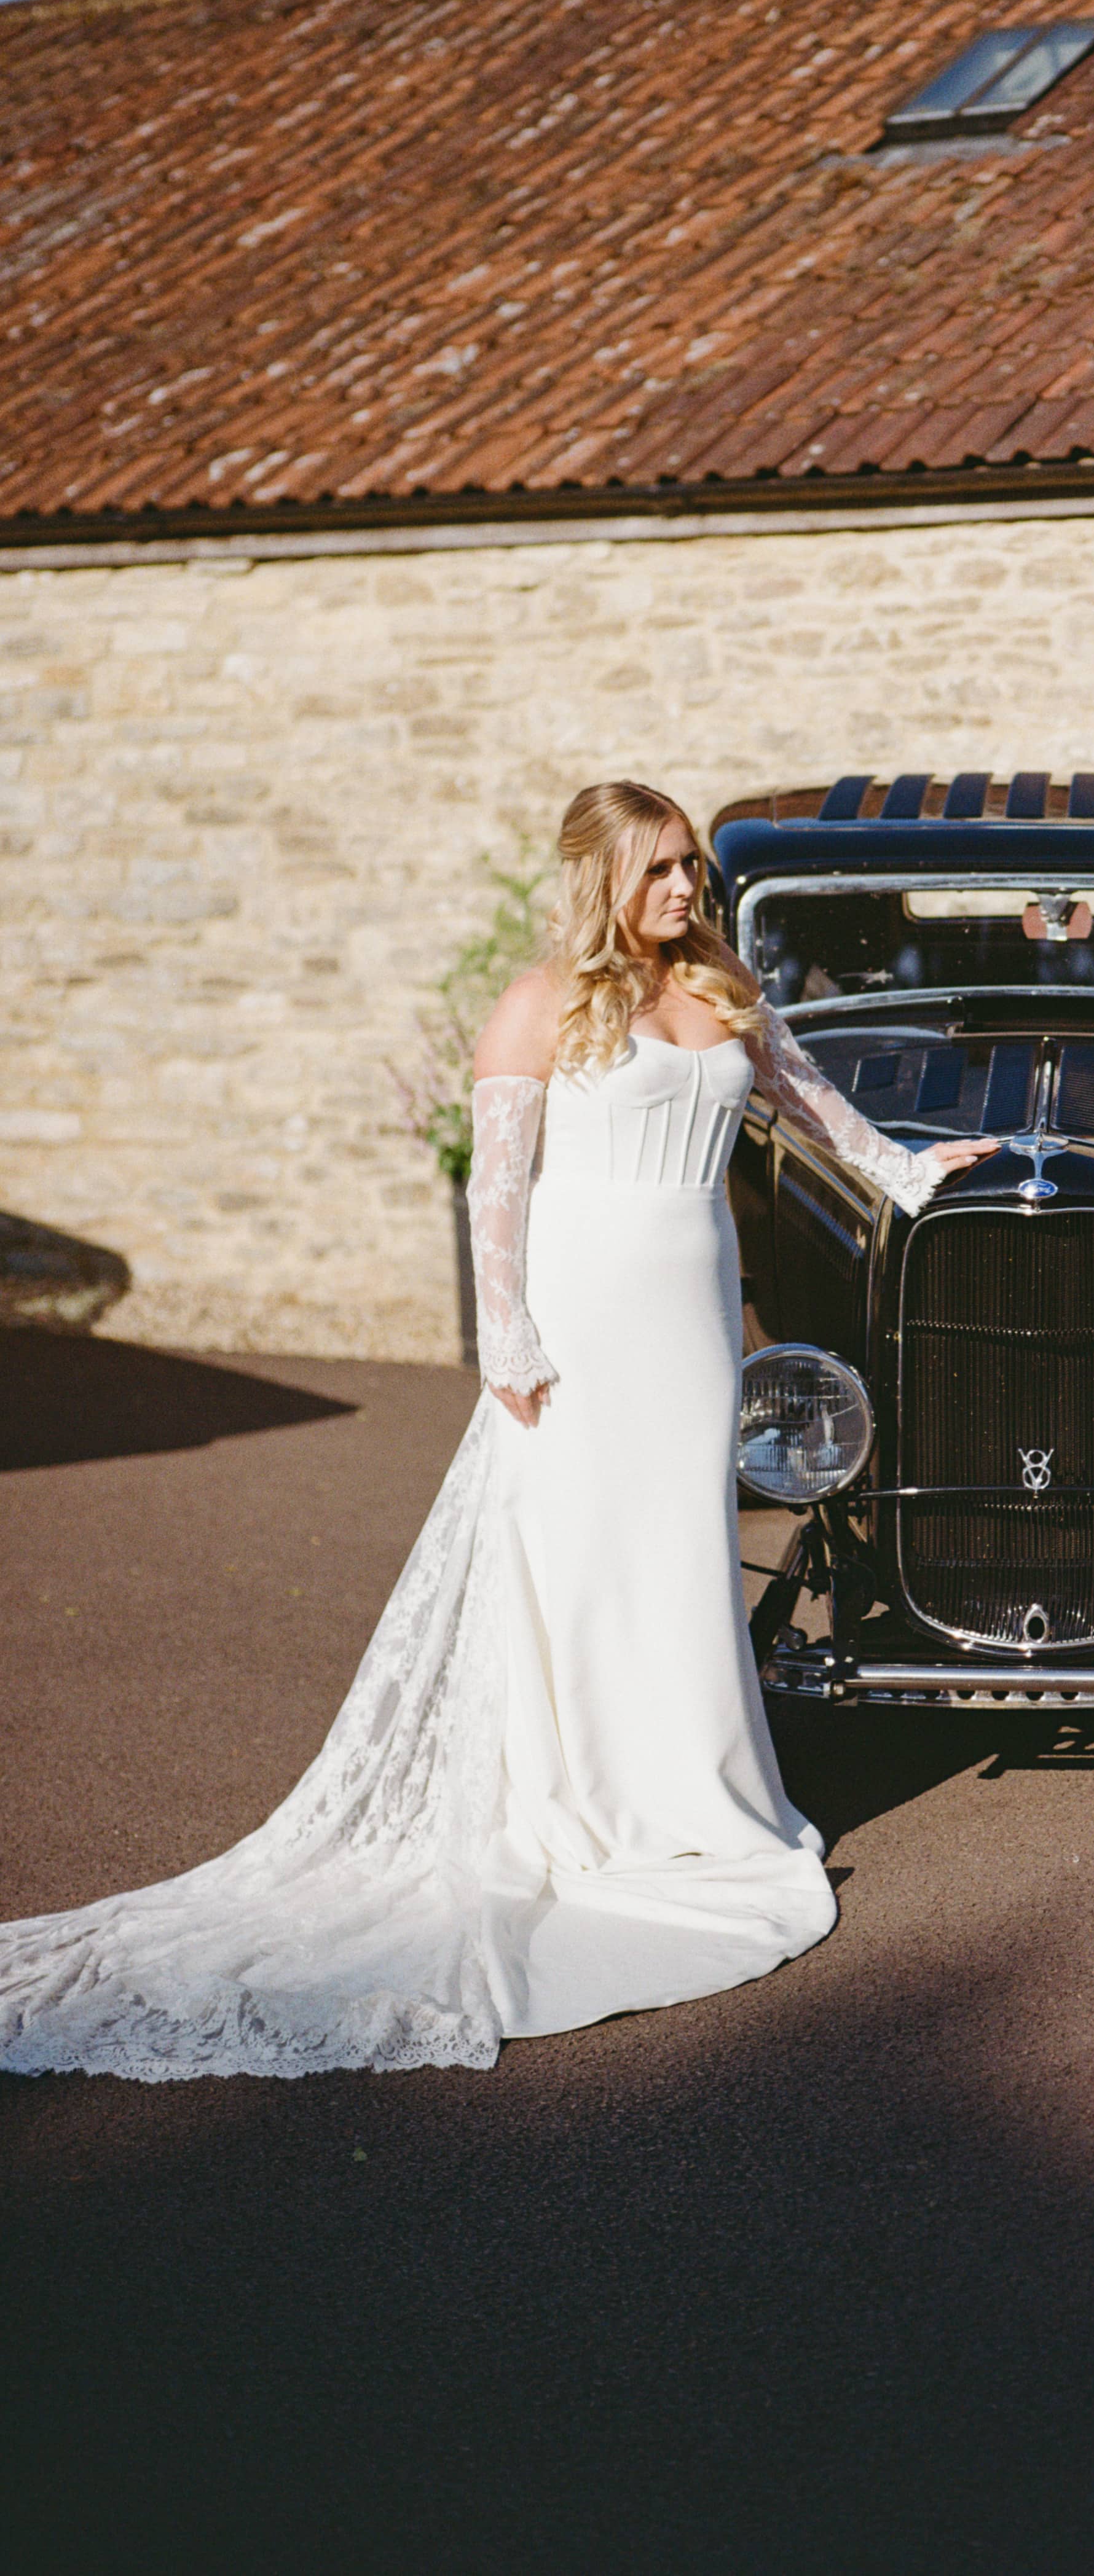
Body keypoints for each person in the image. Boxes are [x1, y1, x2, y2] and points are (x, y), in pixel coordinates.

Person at [0, 780, 996, 2080]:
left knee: (676, 1553)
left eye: (691, 867)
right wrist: (508, 1338)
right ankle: (584, 1805)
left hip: (690, 1311)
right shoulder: (538, 1006)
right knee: (576, 1557)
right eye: (657, 873)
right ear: (599, 882)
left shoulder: (729, 993)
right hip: (583, 1319)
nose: (685, 890)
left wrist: (916, 1173)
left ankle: (690, 1795)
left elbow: (820, 1113)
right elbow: (500, 1193)